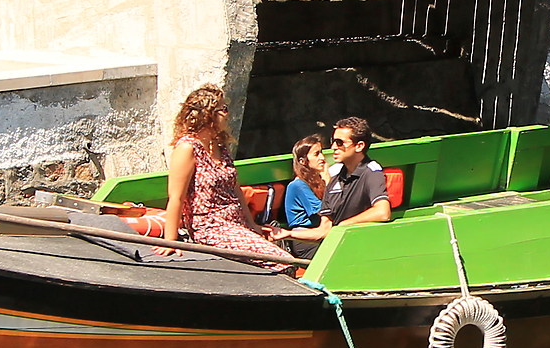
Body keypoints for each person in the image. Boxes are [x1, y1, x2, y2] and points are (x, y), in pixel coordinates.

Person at [156, 84, 293, 262]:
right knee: (279, 259)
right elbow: (176, 197)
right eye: (223, 109)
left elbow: (234, 188)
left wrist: (251, 225)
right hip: (210, 227)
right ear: (208, 114)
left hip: (236, 223)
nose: (228, 114)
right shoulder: (187, 148)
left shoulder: (220, 146)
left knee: (280, 252)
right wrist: (171, 241)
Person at [278, 115, 393, 260]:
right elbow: (324, 230)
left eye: (340, 143)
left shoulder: (371, 171)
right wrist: (288, 234)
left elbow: (382, 212)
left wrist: (343, 225)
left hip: (360, 245)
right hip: (337, 246)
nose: (333, 148)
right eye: (333, 142)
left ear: (359, 146)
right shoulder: (334, 180)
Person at [281, 134, 328, 228]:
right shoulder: (298, 185)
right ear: (303, 161)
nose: (322, 158)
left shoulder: (318, 181)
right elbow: (324, 210)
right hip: (304, 235)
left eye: (321, 152)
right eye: (316, 154)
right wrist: (328, 181)